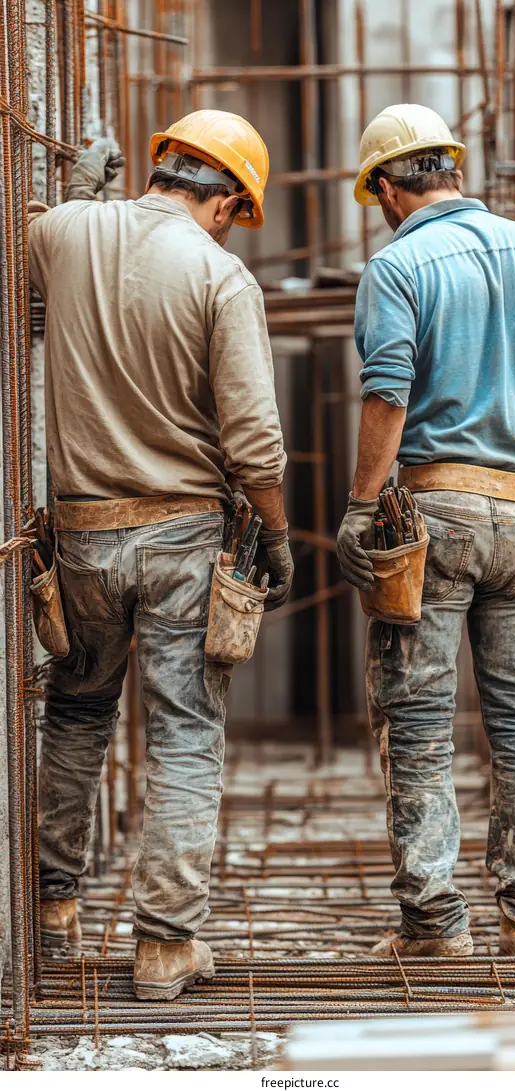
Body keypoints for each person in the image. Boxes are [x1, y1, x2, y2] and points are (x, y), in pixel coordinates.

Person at [28, 110, 293, 999]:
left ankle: (52, 911)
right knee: (184, 733)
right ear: (226, 203)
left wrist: (83, 195)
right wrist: (278, 535)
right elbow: (255, 439)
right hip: (182, 535)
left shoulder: (63, 230)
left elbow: (47, 255)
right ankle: (164, 945)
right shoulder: (221, 275)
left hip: (82, 532)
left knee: (75, 713)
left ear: (165, 170)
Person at [337, 103, 515, 957]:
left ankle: (434, 922)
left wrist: (360, 502)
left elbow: (387, 391)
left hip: (435, 513)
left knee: (417, 718)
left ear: (385, 186)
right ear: (451, 167)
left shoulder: (396, 264)